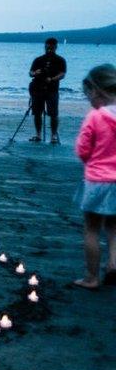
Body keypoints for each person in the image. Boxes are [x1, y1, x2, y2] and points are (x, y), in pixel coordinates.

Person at [73, 64, 116, 290]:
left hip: (98, 180)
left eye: (88, 94)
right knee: (114, 227)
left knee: (91, 228)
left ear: (97, 90)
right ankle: (113, 263)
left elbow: (82, 150)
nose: (88, 99)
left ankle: (92, 277)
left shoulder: (95, 117)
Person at [28, 37, 67, 144]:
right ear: (44, 47)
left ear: (56, 48)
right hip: (37, 88)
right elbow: (30, 72)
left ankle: (54, 135)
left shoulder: (60, 60)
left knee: (54, 113)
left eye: (52, 48)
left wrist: (52, 79)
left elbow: (63, 74)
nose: (49, 50)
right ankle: (38, 134)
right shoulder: (38, 60)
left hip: (52, 89)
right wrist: (35, 73)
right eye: (47, 47)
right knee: (37, 113)